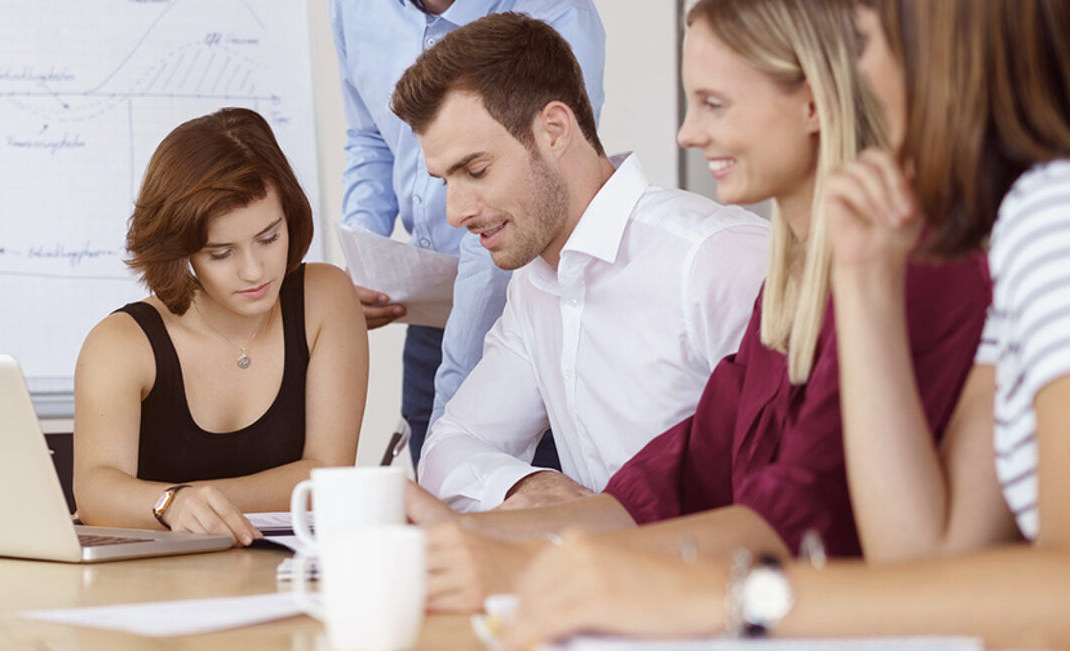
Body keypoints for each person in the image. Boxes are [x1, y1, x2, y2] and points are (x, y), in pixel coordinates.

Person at [495, 0, 1070, 647]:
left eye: (868, 41)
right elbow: (928, 561)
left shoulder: (1054, 212)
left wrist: (721, 596)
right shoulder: (1008, 230)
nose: (861, 74)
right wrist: (864, 286)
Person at [408, 0, 993, 614]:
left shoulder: (761, 261)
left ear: (816, 102)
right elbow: (679, 478)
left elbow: (792, 513)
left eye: (714, 103)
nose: (686, 134)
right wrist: (475, 533)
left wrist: (553, 561)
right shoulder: (791, 283)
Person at [392, 12, 771, 526]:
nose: (456, 212)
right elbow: (450, 446)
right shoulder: (535, 286)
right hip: (603, 589)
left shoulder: (714, 259)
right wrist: (530, 484)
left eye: (476, 171)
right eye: (444, 181)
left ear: (554, 130)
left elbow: (787, 486)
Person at [70, 108, 368, 547]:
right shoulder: (121, 344)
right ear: (180, 251)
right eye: (222, 253)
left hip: (290, 577)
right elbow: (95, 492)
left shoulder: (325, 298)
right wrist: (172, 506)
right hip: (157, 587)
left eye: (269, 238)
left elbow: (327, 478)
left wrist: (180, 502)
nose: (255, 271)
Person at [329, 0, 605, 468]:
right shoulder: (354, 9)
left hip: (527, 296)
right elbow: (370, 138)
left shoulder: (555, 12)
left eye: (474, 169)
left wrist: (450, 420)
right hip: (431, 313)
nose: (454, 210)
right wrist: (365, 257)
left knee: (541, 500)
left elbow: (528, 190)